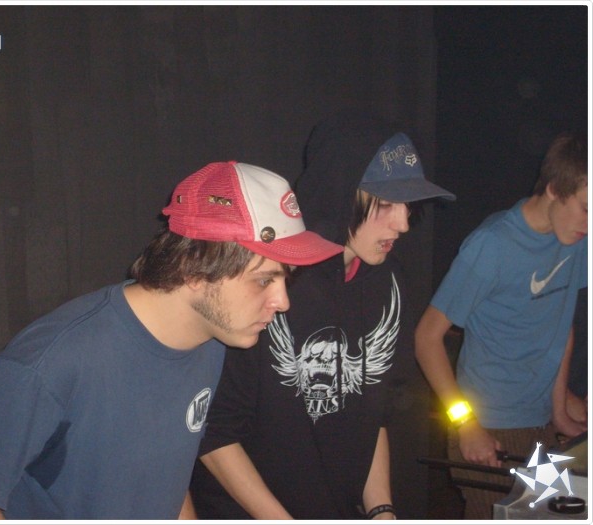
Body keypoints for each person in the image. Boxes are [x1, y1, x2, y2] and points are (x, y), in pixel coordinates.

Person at [0, 161, 343, 520]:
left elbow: (165, 479)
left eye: (285, 279)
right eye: (263, 280)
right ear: (194, 269)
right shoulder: (54, 360)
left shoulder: (210, 342)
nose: (283, 302)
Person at [189, 112, 456, 519]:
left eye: (406, 204)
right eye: (386, 204)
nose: (403, 223)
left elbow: (373, 414)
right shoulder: (267, 279)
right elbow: (214, 431)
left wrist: (381, 509)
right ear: (338, 191)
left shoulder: (389, 282)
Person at [414, 131, 588, 519]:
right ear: (555, 188)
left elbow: (560, 326)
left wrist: (560, 406)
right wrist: (465, 424)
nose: (589, 224)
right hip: (488, 428)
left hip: (540, 423)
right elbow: (426, 338)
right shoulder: (491, 245)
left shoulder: (577, 239)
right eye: (586, 208)